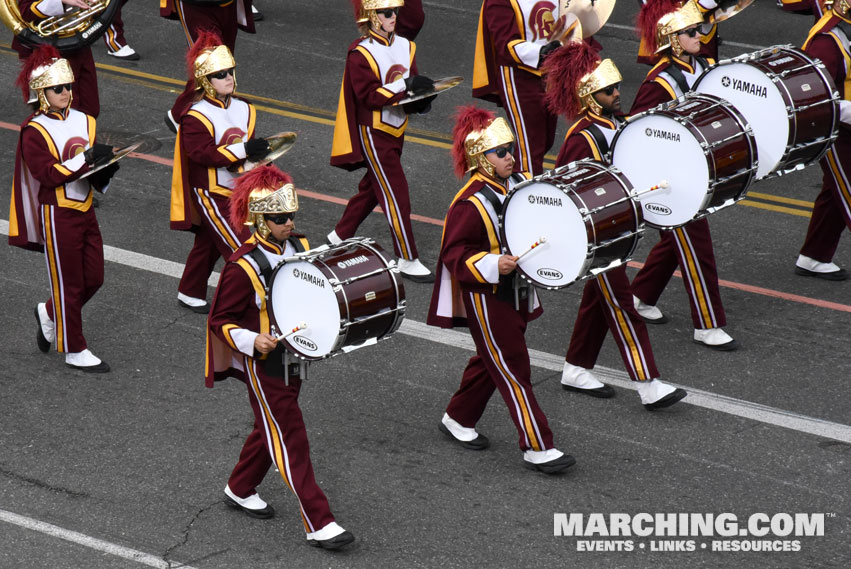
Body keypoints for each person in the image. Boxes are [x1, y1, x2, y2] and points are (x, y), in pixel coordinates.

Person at [206, 165, 355, 551]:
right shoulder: (242, 266)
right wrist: (253, 340)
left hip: (295, 357)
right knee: (291, 437)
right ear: (259, 219)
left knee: (269, 427)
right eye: (280, 218)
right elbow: (219, 321)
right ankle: (320, 522)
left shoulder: (301, 248)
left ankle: (240, 487)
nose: (289, 222)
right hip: (265, 363)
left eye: (291, 215)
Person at [428, 105, 575, 474]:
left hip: (516, 288)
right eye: (501, 151)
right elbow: (454, 254)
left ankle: (458, 417)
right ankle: (538, 446)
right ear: (481, 157)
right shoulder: (470, 202)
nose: (511, 156)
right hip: (486, 294)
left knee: (491, 358)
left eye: (510, 148)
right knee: (513, 365)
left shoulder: (519, 184)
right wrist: (494, 264)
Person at [542, 42, 687, 410]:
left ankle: (576, 368)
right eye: (609, 90)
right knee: (623, 306)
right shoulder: (583, 137)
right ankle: (648, 384)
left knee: (598, 302)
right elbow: (571, 191)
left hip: (619, 226)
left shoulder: (617, 125)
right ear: (590, 97)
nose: (618, 93)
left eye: (617, 87)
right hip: (598, 234)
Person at [629, 0, 738, 351]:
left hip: (697, 170)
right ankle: (707, 324)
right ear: (673, 39)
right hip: (669, 180)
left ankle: (640, 296)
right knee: (697, 246)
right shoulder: (659, 82)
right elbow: (636, 133)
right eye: (692, 32)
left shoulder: (704, 66)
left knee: (678, 245)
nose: (701, 36)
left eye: (701, 29)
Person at [8, 45, 119, 372]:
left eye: (69, 86)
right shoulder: (34, 130)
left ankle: (49, 312)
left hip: (85, 208)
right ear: (41, 91)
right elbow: (47, 174)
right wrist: (86, 158)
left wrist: (105, 170)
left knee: (94, 277)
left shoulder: (85, 121)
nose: (67, 92)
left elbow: (89, 172)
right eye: (59, 88)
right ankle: (74, 349)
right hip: (56, 213)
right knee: (69, 283)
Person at [330, 0, 436, 283]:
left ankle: (339, 234)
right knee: (396, 191)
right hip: (373, 131)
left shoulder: (406, 46)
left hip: (397, 127)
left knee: (374, 188)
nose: (393, 17)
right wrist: (405, 86)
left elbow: (409, 92)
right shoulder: (360, 53)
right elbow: (369, 96)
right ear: (371, 16)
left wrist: (422, 98)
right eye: (386, 12)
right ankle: (406, 256)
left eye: (395, 12)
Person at [169, 31, 271, 313]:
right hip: (211, 192)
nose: (229, 77)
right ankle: (250, 300)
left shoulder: (245, 108)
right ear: (205, 81)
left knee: (209, 243)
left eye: (230, 71)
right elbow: (202, 154)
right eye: (220, 74)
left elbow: (247, 150)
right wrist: (245, 150)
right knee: (241, 248)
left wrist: (262, 159)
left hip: (238, 189)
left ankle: (189, 291)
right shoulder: (195, 116)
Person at [472, 0, 572, 175]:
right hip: (518, 75)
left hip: (550, 73)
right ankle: (529, 196)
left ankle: (515, 184)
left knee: (544, 141)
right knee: (530, 147)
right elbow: (505, 43)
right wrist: (540, 52)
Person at [790, 0, 851, 280]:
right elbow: (815, 97)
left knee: (835, 192)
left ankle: (813, 256)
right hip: (836, 130)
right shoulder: (826, 41)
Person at [160, 0, 256, 131]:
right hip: (197, 7)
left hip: (227, 4)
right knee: (212, 65)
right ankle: (184, 115)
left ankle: (185, 113)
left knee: (224, 61)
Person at [12, 0, 101, 117]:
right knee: (60, 110)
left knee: (90, 109)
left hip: (79, 42)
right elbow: (25, 12)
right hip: (51, 49)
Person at [636, 0, 719, 65]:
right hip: (677, 27)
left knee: (700, 69)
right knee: (673, 68)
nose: (698, 35)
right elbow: (655, 11)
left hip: (701, 25)